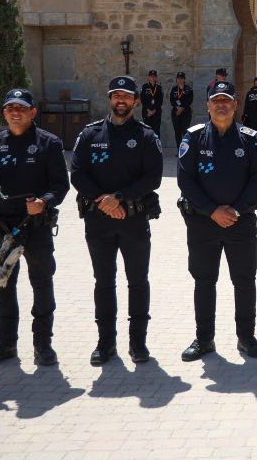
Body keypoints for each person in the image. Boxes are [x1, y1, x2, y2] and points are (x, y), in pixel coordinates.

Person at [0, 88, 69, 367]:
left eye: (21, 108)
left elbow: (61, 185)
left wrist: (44, 202)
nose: (15, 112)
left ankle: (43, 345)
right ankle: (6, 345)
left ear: (32, 112)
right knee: (3, 287)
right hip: (2, 228)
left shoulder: (49, 143)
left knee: (42, 285)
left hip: (35, 226)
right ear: (4, 113)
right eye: (10, 108)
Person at [70, 76, 164, 365]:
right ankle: (105, 344)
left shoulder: (147, 136)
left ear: (136, 101)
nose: (120, 101)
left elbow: (153, 177)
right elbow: (77, 174)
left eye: (126, 96)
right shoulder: (90, 134)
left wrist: (119, 198)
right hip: (99, 221)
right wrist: (105, 202)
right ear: (109, 99)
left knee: (137, 281)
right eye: (115, 96)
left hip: (134, 220)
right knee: (104, 282)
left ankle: (138, 343)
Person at [176, 80, 257, 361]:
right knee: (204, 280)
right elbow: (185, 180)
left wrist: (236, 210)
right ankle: (204, 339)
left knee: (244, 280)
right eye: (215, 100)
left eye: (226, 100)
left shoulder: (251, 138)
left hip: (241, 222)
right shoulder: (192, 137)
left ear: (235, 105)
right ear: (207, 105)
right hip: (203, 223)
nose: (221, 104)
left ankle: (246, 338)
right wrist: (212, 211)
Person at [169, 71, 193, 146]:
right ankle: (179, 149)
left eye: (181, 78)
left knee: (185, 131)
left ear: (184, 79)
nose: (180, 80)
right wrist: (177, 107)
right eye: (178, 78)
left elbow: (189, 100)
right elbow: (171, 100)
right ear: (176, 80)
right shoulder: (174, 89)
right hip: (176, 113)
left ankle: (185, 149)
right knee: (177, 131)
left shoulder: (189, 89)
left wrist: (181, 108)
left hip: (186, 112)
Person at [140, 70, 164, 136]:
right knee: (146, 130)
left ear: (156, 78)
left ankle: (156, 145)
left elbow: (160, 101)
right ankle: (147, 146)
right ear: (148, 77)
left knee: (156, 131)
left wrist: (153, 111)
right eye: (151, 76)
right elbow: (142, 100)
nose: (152, 78)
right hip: (146, 112)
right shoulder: (144, 87)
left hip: (156, 112)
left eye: (154, 76)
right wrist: (148, 110)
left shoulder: (159, 87)